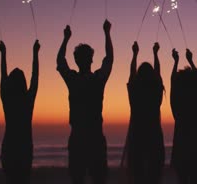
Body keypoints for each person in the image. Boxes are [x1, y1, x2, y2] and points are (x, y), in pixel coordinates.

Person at [56, 20, 113, 184]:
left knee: (77, 179)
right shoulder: (98, 80)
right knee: (99, 178)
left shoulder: (73, 80)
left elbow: (60, 61)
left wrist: (66, 39)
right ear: (91, 60)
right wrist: (107, 33)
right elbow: (109, 59)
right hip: (96, 137)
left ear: (76, 60)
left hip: (78, 137)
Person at [0, 40, 40, 184]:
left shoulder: (7, 99)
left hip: (9, 147)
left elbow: (3, 76)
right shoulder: (28, 100)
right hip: (24, 147)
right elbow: (35, 77)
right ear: (24, 83)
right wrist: (35, 53)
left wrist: (3, 54)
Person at [124, 42, 165, 184]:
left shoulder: (135, 92)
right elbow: (158, 74)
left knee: (138, 176)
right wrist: (155, 53)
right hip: (154, 135)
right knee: (154, 176)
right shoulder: (156, 92)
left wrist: (134, 54)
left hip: (137, 136)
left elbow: (131, 74)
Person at [170, 48, 197, 184]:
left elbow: (173, 83)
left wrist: (176, 62)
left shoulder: (178, 106)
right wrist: (191, 61)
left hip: (180, 149)